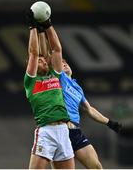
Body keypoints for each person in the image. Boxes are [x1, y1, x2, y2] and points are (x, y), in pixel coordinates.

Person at [38, 30, 122, 169]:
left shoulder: (77, 88)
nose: (64, 64)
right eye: (61, 63)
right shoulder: (59, 78)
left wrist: (110, 123)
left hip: (75, 131)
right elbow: (48, 54)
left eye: (66, 63)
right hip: (60, 130)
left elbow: (89, 109)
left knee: (97, 167)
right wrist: (42, 32)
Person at [24, 9, 75, 169]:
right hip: (46, 131)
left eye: (44, 60)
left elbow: (57, 49)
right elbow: (33, 53)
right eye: (40, 61)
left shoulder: (56, 74)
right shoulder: (31, 81)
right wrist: (33, 27)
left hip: (64, 130)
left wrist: (48, 25)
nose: (44, 61)